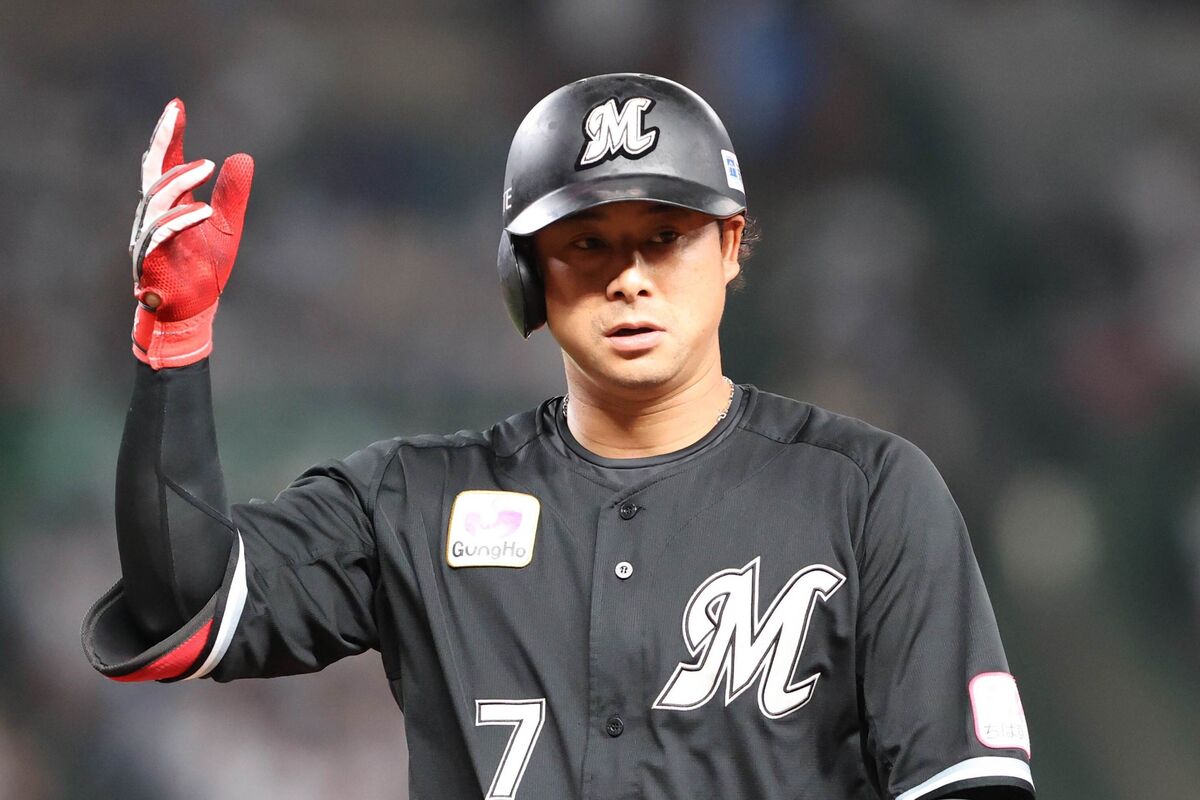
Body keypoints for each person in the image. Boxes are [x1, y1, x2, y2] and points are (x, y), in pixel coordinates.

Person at [83, 73, 1035, 800]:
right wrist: (176, 342)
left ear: (730, 246)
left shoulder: (866, 494)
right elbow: (186, 601)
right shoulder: (413, 504)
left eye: (665, 236)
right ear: (527, 275)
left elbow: (966, 784)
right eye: (587, 242)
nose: (629, 276)